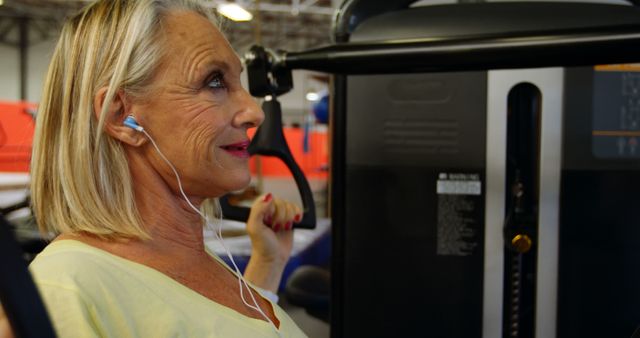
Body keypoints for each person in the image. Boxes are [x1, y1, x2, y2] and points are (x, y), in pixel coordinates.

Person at [1, 0, 308, 337]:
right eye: (215, 82)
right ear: (122, 117)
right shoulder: (65, 287)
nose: (254, 112)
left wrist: (267, 264)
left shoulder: (190, 260)